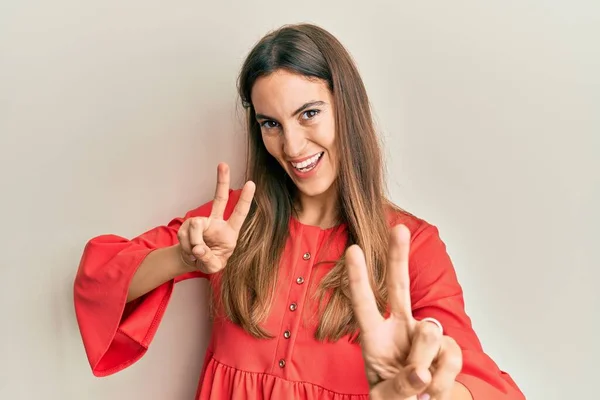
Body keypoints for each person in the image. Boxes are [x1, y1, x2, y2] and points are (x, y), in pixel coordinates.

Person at [73, 23, 525, 400]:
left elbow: (478, 381)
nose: (290, 146)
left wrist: (431, 387)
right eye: (271, 124)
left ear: (345, 107)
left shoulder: (412, 246)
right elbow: (102, 276)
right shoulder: (233, 220)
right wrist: (183, 258)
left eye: (308, 113)